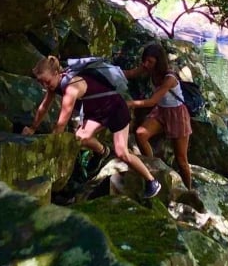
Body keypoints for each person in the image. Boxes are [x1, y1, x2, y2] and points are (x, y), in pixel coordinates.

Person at [23, 55, 162, 200]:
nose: (45, 86)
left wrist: (48, 148)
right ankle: (103, 152)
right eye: (41, 82)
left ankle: (152, 181)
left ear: (57, 73)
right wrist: (32, 127)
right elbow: (44, 107)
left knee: (122, 153)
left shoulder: (71, 88)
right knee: (80, 138)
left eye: (46, 81)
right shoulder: (55, 84)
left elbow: (61, 125)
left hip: (115, 109)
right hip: (97, 113)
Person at [126, 42, 193, 190]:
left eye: (150, 61)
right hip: (161, 111)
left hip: (177, 114)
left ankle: (189, 190)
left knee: (181, 159)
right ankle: (153, 169)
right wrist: (107, 72)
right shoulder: (148, 69)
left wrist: (131, 103)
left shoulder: (169, 78)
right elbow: (130, 74)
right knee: (140, 134)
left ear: (158, 61)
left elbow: (152, 101)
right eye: (145, 60)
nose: (146, 64)